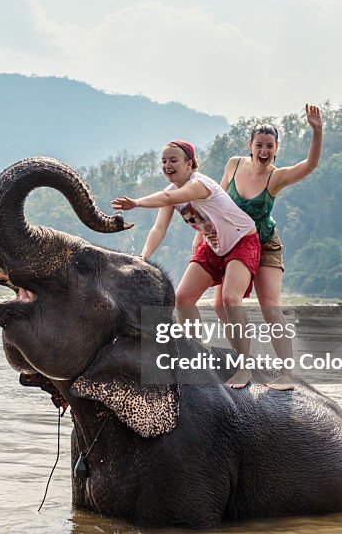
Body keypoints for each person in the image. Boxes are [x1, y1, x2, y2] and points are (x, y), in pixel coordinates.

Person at [111, 141, 260, 388]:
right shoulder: (172, 192)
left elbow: (169, 196)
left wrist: (136, 202)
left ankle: (245, 368)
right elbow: (159, 227)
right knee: (183, 298)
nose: (167, 165)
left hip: (242, 241)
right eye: (164, 161)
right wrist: (143, 257)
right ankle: (196, 355)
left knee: (230, 300)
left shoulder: (199, 184)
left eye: (174, 160)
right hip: (214, 247)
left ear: (189, 164)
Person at [213, 103, 322, 389]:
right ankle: (242, 366)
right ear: (250, 145)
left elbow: (310, 165)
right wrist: (205, 234)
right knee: (223, 303)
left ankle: (287, 374)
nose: (264, 151)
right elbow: (218, 201)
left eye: (269, 146)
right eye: (259, 145)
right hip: (234, 244)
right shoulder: (234, 165)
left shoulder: (276, 176)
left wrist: (317, 131)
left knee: (270, 308)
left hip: (265, 245)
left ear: (276, 149)